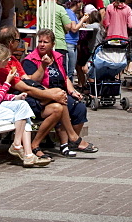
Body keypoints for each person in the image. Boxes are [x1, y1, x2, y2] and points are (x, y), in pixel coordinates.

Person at [0, 45, 49, 167]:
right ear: (1, 61)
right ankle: (22, 149)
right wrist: (8, 82)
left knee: (23, 106)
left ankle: (23, 150)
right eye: (7, 59)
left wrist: (15, 97)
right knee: (22, 116)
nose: (9, 62)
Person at [22, 29, 97, 157]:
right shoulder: (30, 59)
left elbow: (65, 77)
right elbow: (32, 82)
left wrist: (72, 91)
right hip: (43, 95)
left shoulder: (58, 57)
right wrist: (43, 67)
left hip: (59, 92)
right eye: (39, 41)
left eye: (45, 42)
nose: (42, 44)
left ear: (52, 44)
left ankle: (70, 141)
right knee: (62, 102)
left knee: (79, 107)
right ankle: (67, 142)